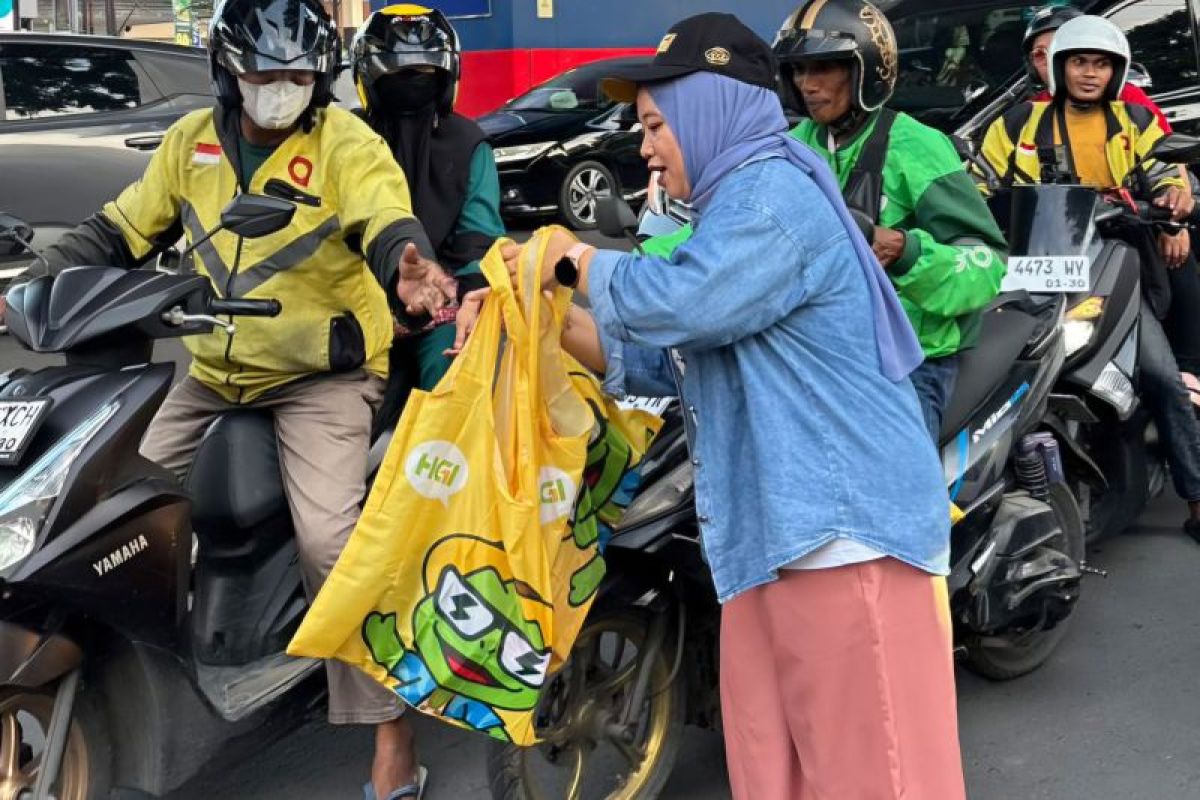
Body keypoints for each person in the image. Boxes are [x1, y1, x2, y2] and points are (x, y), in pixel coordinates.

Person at [489, 13, 966, 799]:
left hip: (841, 540)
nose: (643, 147)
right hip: (764, 537)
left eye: (652, 124)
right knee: (771, 770)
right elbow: (671, 358)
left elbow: (687, 303)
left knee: (870, 777)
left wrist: (566, 257)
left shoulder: (771, 194)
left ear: (708, 109)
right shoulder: (729, 210)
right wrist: (538, 314)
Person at [12, 0, 456, 797]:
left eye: (296, 76)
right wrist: (36, 284)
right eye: (263, 74)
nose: (279, 90)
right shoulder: (192, 144)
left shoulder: (345, 143)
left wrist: (410, 264)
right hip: (217, 373)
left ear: (319, 80)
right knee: (89, 498)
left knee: (332, 544)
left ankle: (392, 734)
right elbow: (117, 230)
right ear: (228, 72)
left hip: (323, 378)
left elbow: (385, 219)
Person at [977, 14, 1200, 542]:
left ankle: (1195, 498)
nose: (1089, 73)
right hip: (1035, 261)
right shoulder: (1016, 124)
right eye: (1079, 61)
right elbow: (977, 181)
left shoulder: (1134, 123)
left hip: (1114, 259)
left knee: (1163, 377)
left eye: (1101, 64)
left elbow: (1168, 171)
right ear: (1058, 67)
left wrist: (1171, 197)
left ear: (1116, 71)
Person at [774, 0, 1007, 439]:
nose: (807, 84)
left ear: (867, 70)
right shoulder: (792, 147)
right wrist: (626, 265)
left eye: (823, 67)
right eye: (798, 70)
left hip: (908, 364)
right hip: (817, 354)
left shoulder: (916, 148)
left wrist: (905, 251)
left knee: (899, 498)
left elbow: (985, 263)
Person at [350, 3, 504, 424]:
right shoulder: (345, 140)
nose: (411, 86)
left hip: (440, 312)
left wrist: (464, 302)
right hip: (353, 317)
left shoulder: (468, 143)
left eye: (422, 76)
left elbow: (479, 242)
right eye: (398, 76)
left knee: (455, 400)